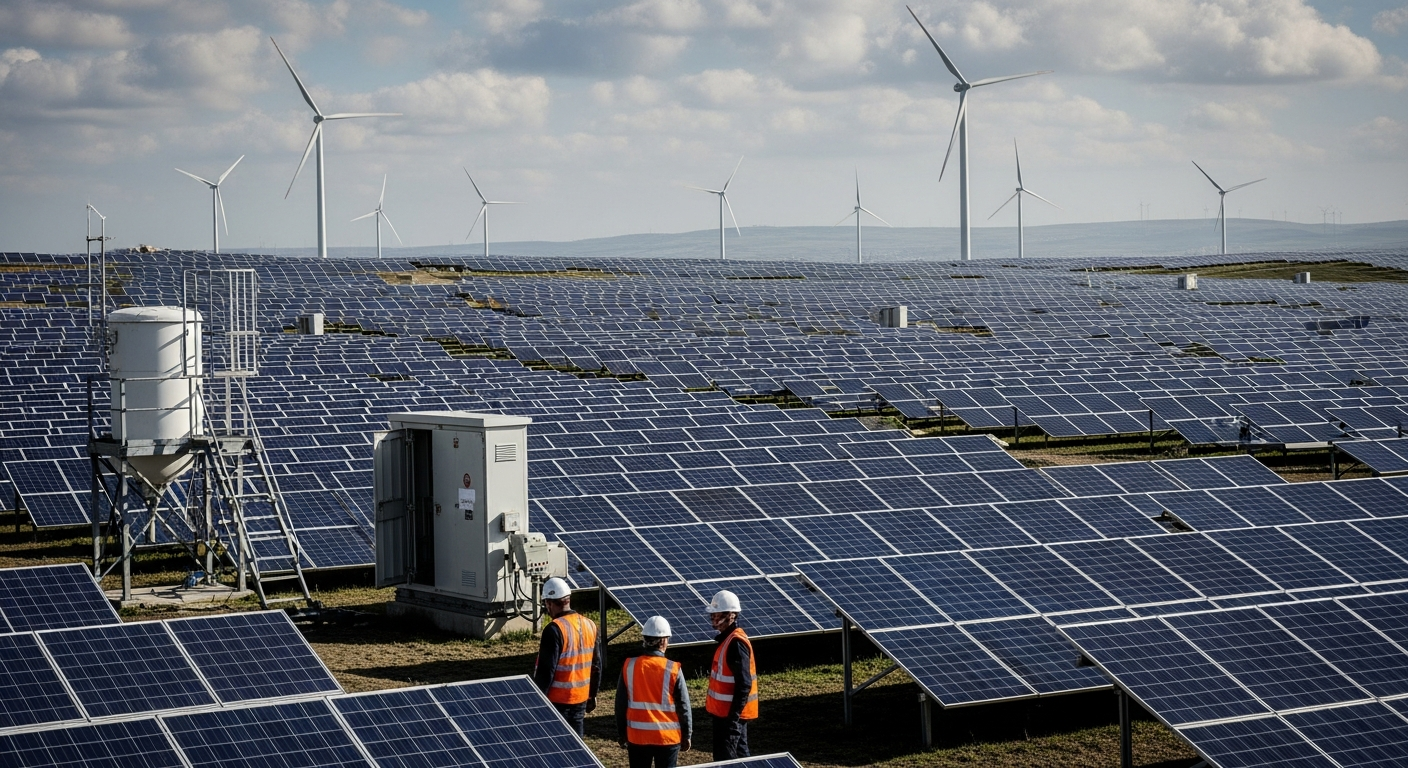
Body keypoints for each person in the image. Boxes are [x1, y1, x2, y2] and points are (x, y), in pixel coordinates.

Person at [615, 615, 692, 768]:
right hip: (667, 738)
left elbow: (620, 704)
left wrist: (622, 732)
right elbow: (683, 705)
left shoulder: (629, 666)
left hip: (637, 737)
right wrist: (687, 734)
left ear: (645, 640)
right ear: (663, 641)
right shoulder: (673, 669)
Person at [532, 577, 602, 736]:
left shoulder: (554, 629)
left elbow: (546, 672)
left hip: (557, 702)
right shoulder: (590, 624)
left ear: (549, 603)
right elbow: (596, 666)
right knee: (576, 750)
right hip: (581, 699)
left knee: (555, 748)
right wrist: (592, 695)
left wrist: (537, 702)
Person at [705, 589, 757, 760]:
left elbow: (744, 685)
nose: (714, 618)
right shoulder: (728, 640)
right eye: (712, 615)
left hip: (730, 717)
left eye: (717, 614)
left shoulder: (735, 643)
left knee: (729, 760)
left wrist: (733, 720)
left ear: (732, 615)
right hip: (726, 716)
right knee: (739, 758)